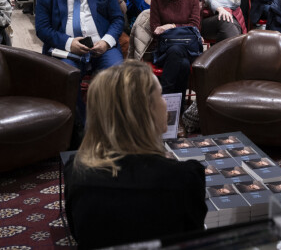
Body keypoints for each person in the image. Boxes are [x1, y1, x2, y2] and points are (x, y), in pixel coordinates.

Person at [64, 60, 206, 249]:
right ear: (146, 111)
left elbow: (78, 234)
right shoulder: (185, 177)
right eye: (161, 95)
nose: (166, 103)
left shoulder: (75, 169)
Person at [35, 0, 124, 119]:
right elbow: (43, 29)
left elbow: (118, 19)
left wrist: (106, 42)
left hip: (102, 46)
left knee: (117, 73)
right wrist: (69, 43)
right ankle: (80, 128)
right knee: (67, 78)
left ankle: (109, 123)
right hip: (66, 49)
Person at [149, 0, 201, 99]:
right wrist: (179, 29)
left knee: (179, 54)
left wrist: (170, 26)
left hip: (189, 48)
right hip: (165, 50)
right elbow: (155, 29)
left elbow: (195, 26)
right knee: (182, 63)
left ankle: (164, 99)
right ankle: (178, 110)